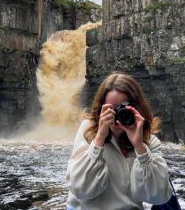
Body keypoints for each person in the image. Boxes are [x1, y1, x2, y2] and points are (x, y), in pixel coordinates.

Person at [66, 73, 173, 210]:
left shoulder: (149, 142)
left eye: (123, 109)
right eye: (111, 109)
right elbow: (80, 190)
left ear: (137, 110)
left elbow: (158, 197)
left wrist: (140, 147)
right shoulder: (89, 131)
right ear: (101, 109)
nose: (117, 116)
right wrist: (99, 140)